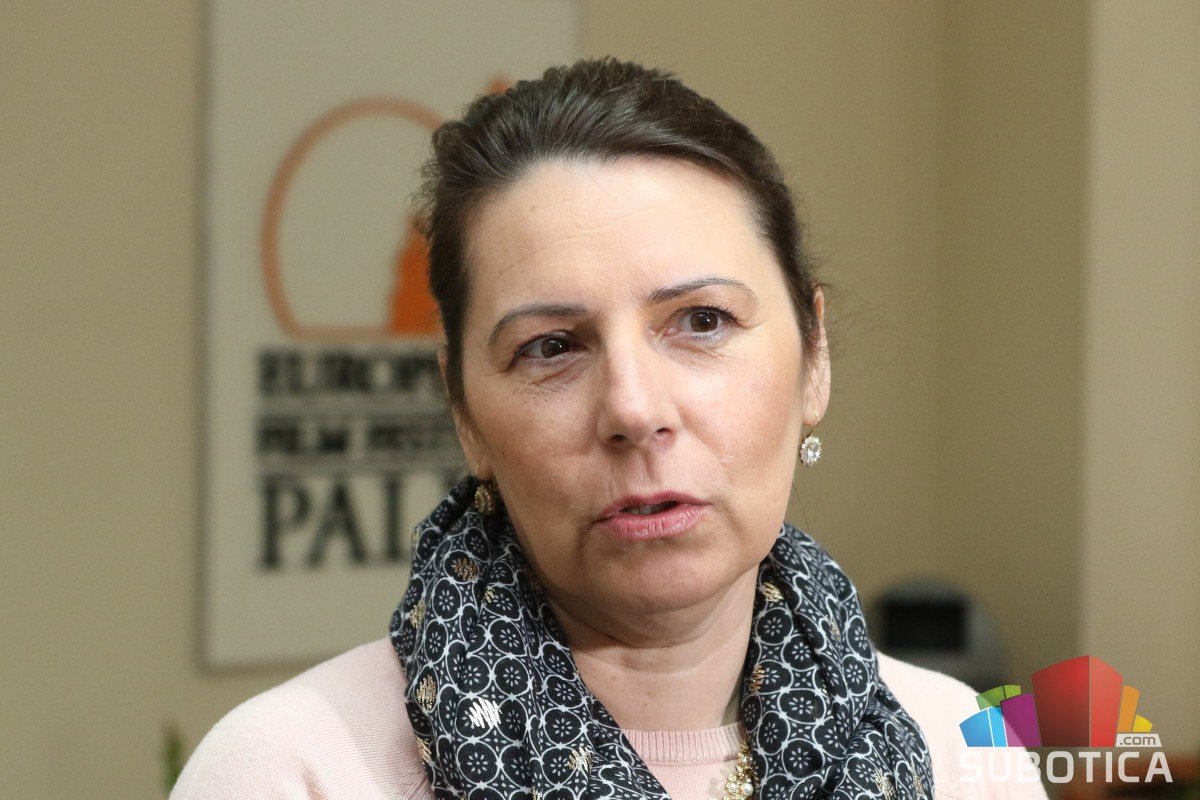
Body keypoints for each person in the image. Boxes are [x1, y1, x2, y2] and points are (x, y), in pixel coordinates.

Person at [173, 57, 1047, 800]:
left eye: (701, 322)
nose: (634, 409)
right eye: (552, 346)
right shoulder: (298, 769)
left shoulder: (963, 753)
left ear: (813, 358)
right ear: (464, 413)